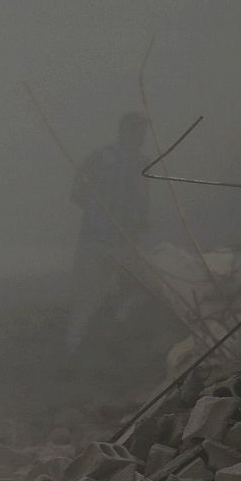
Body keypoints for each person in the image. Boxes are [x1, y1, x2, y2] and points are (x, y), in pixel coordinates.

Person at [66, 111, 151, 355]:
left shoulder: (102, 158)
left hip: (106, 238)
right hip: (113, 240)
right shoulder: (134, 162)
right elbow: (142, 203)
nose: (142, 137)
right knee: (112, 291)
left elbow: (77, 195)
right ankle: (91, 343)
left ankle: (86, 345)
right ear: (129, 132)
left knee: (95, 294)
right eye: (139, 132)